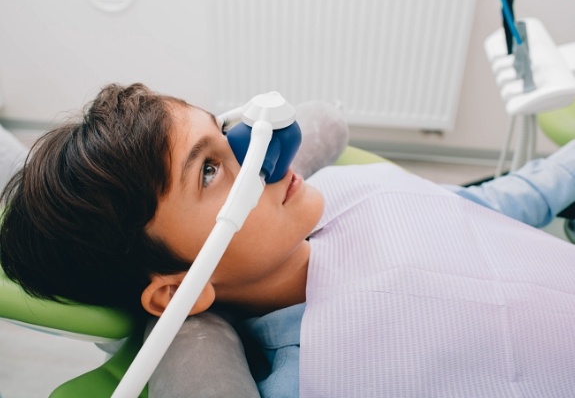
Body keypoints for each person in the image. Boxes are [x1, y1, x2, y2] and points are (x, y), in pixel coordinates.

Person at [2, 83, 575, 397]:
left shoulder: (356, 188)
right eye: (207, 171)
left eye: (226, 136)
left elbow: (490, 209)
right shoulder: (311, 380)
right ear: (177, 292)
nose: (265, 153)